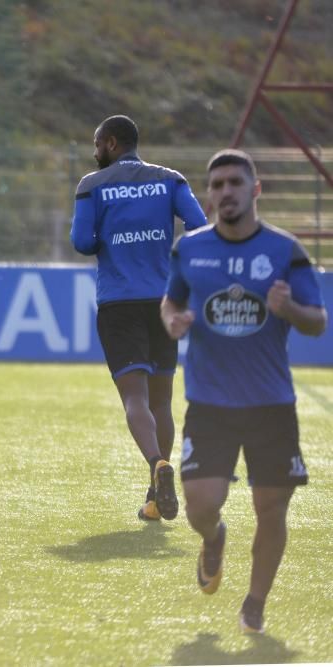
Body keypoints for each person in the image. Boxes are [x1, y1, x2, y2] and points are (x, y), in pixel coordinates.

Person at [162, 149, 326, 634]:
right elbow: (171, 301)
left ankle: (255, 602)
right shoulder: (188, 249)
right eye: (216, 185)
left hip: (271, 406)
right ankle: (214, 539)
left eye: (235, 182)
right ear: (208, 195)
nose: (225, 192)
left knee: (270, 508)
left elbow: (317, 322)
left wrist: (289, 308)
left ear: (255, 190)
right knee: (200, 506)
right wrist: (174, 321)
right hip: (210, 404)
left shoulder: (285, 251)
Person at [71, 115, 208, 521]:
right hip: (164, 300)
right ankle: (154, 493)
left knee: (135, 398)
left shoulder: (91, 185)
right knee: (162, 401)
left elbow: (81, 243)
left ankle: (156, 465)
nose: (94, 152)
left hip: (119, 302)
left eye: (97, 144)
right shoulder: (170, 179)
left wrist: (108, 239)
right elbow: (199, 227)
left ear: (111, 143)